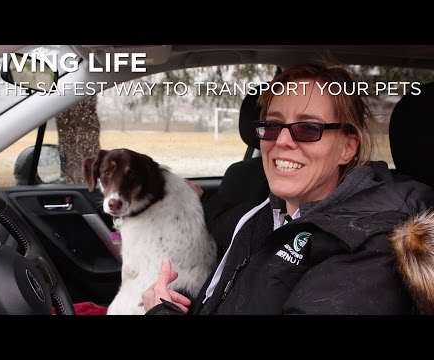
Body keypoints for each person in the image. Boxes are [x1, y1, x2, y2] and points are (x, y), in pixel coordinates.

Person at [142, 62, 434, 315]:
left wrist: (160, 311)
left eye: (308, 128)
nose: (281, 141)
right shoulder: (270, 209)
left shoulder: (370, 249)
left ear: (347, 147)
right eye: (272, 125)